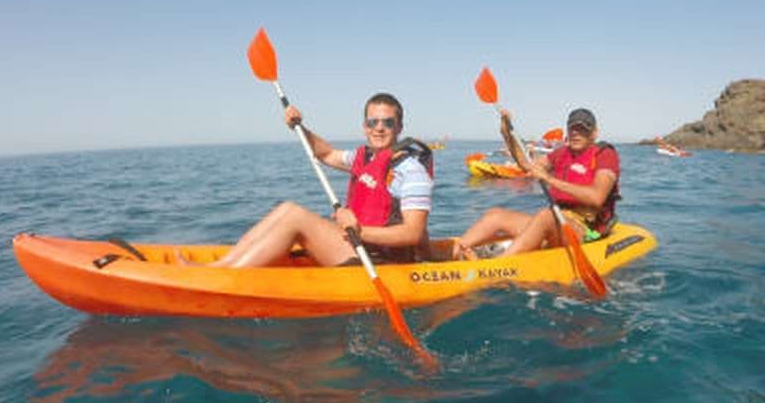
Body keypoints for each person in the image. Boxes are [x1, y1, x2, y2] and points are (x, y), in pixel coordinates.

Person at [179, 93, 433, 268]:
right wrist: (299, 126)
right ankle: (222, 265)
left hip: (379, 260)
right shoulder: (362, 156)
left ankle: (225, 276)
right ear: (364, 126)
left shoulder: (410, 171)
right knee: (287, 208)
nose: (379, 128)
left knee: (295, 217)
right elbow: (325, 153)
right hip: (355, 243)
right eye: (373, 121)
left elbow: (412, 233)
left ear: (399, 127)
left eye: (388, 122)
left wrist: (360, 231)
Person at [453, 108, 620, 260]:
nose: (576, 133)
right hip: (558, 221)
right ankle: (456, 252)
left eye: (583, 129)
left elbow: (597, 197)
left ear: (594, 133)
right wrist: (507, 133)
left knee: (545, 215)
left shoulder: (604, 154)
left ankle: (498, 266)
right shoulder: (561, 153)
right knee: (495, 215)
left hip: (585, 229)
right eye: (573, 128)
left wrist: (549, 179)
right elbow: (526, 165)